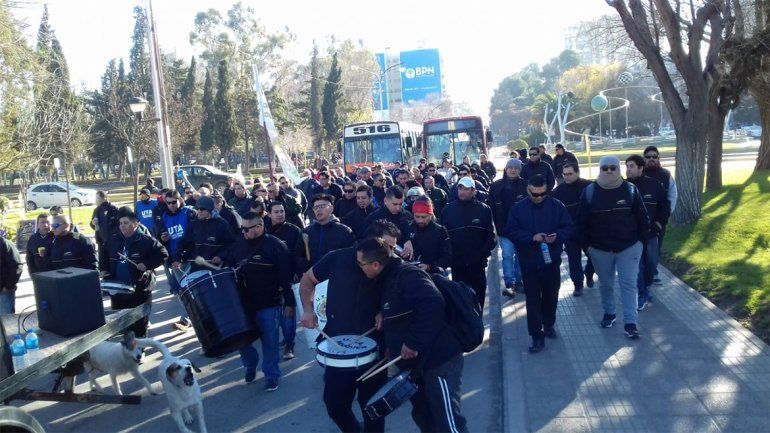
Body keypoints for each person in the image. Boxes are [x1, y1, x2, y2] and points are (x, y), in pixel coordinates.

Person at [356, 238, 468, 433]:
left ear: (375, 264)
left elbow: (433, 304)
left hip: (439, 361)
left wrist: (412, 343)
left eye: (361, 264)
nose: (359, 268)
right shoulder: (384, 278)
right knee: (425, 417)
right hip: (416, 366)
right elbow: (403, 311)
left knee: (448, 422)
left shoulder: (407, 274)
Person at [299, 232, 386, 433]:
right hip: (337, 346)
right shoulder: (337, 258)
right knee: (335, 406)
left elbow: (397, 294)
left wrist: (384, 311)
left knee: (373, 409)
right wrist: (308, 308)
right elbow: (307, 279)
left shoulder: (385, 261)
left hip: (374, 347)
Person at [576, 156, 649, 339]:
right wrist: (588, 248)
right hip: (600, 249)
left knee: (628, 284)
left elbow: (643, 220)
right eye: (605, 168)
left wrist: (640, 243)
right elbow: (581, 223)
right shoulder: (590, 192)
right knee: (606, 284)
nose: (609, 171)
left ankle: (631, 323)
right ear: (600, 170)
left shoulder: (631, 190)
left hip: (629, 248)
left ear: (619, 169)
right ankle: (609, 313)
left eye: (613, 168)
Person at [507, 175, 573, 353]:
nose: (538, 197)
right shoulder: (518, 209)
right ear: (528, 189)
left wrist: (557, 236)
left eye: (542, 194)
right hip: (529, 261)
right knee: (533, 298)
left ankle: (549, 323)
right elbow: (511, 231)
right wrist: (531, 237)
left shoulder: (557, 206)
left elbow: (568, 227)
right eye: (534, 194)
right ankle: (536, 335)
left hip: (551, 260)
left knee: (551, 294)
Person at [227, 212, 293, 392]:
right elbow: (229, 267)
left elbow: (286, 278)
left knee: (270, 341)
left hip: (269, 303)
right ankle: (250, 364)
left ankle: (271, 375)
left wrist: (289, 303)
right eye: (242, 228)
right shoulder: (238, 245)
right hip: (243, 304)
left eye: (247, 229)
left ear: (259, 227)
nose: (243, 232)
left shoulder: (276, 246)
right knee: (242, 340)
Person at [102, 207, 168, 338]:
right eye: (120, 223)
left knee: (139, 323)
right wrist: (104, 269)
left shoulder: (146, 240)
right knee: (121, 323)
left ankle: (140, 350)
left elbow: (163, 254)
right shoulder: (114, 238)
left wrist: (147, 265)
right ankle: (126, 352)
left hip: (138, 287)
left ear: (135, 223)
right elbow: (103, 254)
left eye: (125, 223)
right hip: (118, 288)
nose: (122, 226)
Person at [441, 177, 497, 308]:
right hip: (457, 265)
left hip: (477, 266)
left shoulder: (484, 210)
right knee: (460, 303)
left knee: (478, 301)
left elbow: (491, 237)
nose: (462, 192)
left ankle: (478, 327)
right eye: (460, 188)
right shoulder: (447, 211)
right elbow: (443, 237)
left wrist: (482, 254)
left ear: (473, 191)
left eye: (466, 189)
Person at [625, 155, 670, 310]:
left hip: (651, 235)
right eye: (627, 166)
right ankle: (641, 293)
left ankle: (646, 286)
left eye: (631, 166)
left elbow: (664, 208)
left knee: (651, 263)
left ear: (640, 167)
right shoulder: (623, 187)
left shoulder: (655, 185)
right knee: (638, 267)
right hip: (632, 237)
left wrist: (658, 224)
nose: (628, 169)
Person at [265, 201, 302, 360]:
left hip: (289, 279)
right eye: (276, 211)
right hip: (268, 280)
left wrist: (296, 272)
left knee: (288, 312)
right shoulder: (264, 230)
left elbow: (300, 255)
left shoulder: (294, 231)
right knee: (276, 313)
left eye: (282, 211)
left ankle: (289, 344)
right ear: (269, 214)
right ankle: (285, 337)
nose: (280, 214)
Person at [551, 163, 594, 296]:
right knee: (573, 260)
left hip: (589, 231)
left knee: (595, 257)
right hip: (570, 233)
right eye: (564, 174)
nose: (567, 177)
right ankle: (578, 285)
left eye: (570, 174)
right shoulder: (558, 191)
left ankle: (589, 272)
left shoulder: (589, 187)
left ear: (577, 172)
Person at [488, 158, 528, 297]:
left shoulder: (525, 185)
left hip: (522, 230)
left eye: (516, 168)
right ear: (505, 169)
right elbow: (490, 209)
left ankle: (519, 282)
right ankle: (509, 284)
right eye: (510, 167)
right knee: (507, 256)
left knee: (520, 257)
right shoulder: (495, 187)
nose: (513, 170)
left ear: (519, 170)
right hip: (504, 230)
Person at [159, 190, 196, 332]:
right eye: (168, 203)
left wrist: (182, 256)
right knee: (181, 291)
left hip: (189, 258)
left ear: (180, 199)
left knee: (190, 289)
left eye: (174, 202)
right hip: (174, 260)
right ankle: (187, 318)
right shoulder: (165, 216)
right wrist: (163, 238)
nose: (171, 205)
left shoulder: (188, 213)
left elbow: (192, 237)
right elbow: (163, 235)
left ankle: (186, 319)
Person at [294, 194, 355, 277]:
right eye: (315, 207)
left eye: (322, 206)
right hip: (311, 276)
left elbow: (350, 257)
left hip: (335, 277)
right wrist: (304, 265)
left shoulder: (344, 231)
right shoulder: (306, 232)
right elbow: (298, 255)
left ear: (331, 208)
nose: (318, 210)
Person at [642, 145, 677, 284]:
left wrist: (664, 217)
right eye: (648, 157)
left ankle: (653, 271)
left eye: (654, 157)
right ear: (644, 158)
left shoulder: (666, 175)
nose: (651, 159)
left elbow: (672, 196)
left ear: (658, 158)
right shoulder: (638, 173)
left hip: (659, 221)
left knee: (655, 248)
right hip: (641, 221)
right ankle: (643, 273)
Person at [176, 196, 236, 273]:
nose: (199, 211)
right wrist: (177, 258)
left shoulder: (222, 224)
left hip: (216, 268)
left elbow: (231, 243)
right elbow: (183, 242)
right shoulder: (193, 224)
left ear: (210, 209)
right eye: (197, 209)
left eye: (202, 209)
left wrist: (221, 256)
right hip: (196, 267)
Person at [403, 197, 452, 274]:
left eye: (424, 217)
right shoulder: (408, 228)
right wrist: (406, 240)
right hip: (411, 274)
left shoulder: (440, 231)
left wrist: (429, 266)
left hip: (433, 276)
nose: (420, 220)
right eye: (417, 216)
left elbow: (447, 258)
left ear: (430, 214)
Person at [91, 190, 119, 271]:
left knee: (113, 262)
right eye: (95, 198)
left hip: (113, 241)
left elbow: (118, 225)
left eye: (97, 198)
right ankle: (105, 278)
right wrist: (93, 223)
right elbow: (92, 225)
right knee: (103, 264)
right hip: (101, 241)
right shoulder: (96, 210)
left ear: (104, 198)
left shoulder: (114, 209)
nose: (96, 200)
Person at [0, 237, 22, 314]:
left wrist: (8, 286)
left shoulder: (5, 244)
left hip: (4, 292)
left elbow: (17, 266)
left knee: (6, 321)